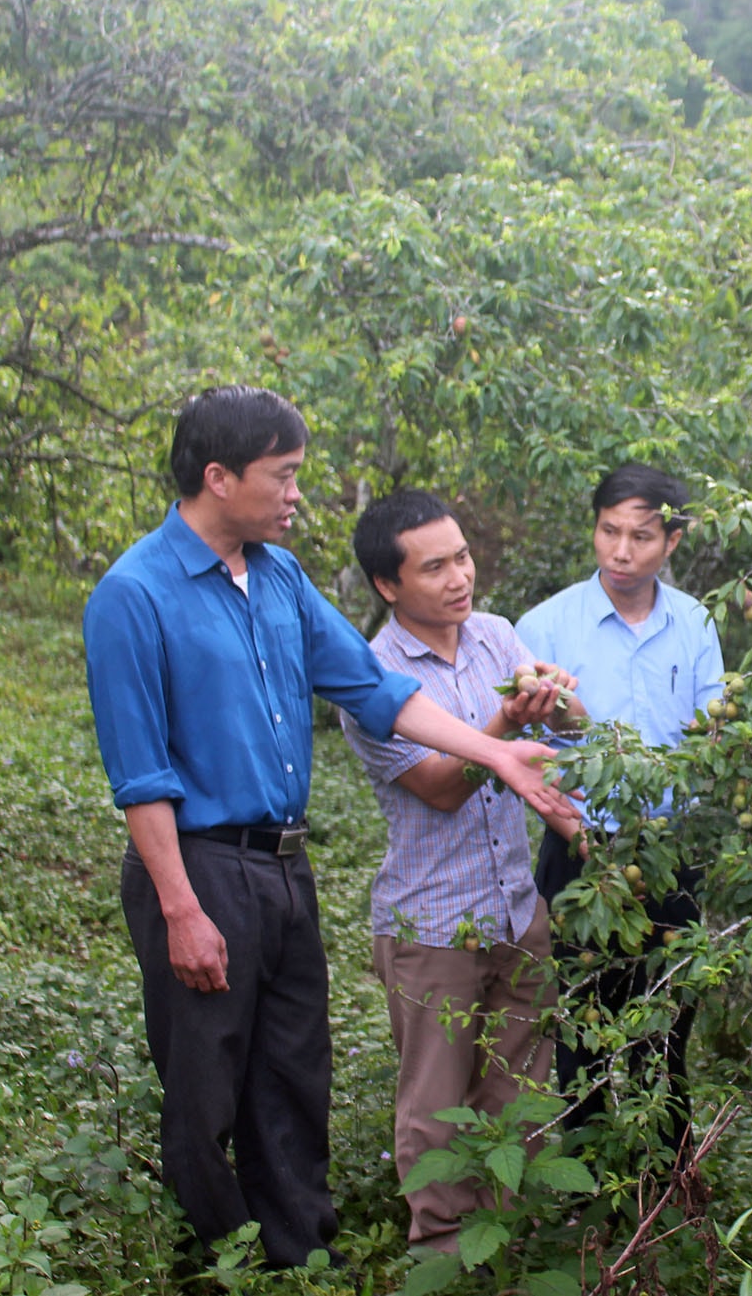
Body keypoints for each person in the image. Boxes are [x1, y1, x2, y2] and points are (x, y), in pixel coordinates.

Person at [83, 386, 577, 1269]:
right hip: (197, 866)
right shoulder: (134, 594)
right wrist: (180, 907)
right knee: (205, 1080)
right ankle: (218, 1256)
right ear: (218, 477)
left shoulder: (277, 577)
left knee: (293, 1065)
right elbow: (142, 775)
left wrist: (497, 753)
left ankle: (301, 1252)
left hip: (283, 865)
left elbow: (381, 694)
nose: (295, 494)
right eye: (284, 476)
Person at [340, 489, 587, 1253]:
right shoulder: (369, 676)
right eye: (435, 566)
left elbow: (564, 731)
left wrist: (557, 702)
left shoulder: (494, 636)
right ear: (389, 584)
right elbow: (441, 787)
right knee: (436, 1100)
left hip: (516, 905)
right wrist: (503, 726)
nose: (459, 577)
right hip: (432, 924)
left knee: (522, 1081)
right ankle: (443, 1249)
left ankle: (511, 1236)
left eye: (464, 556)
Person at [513, 464, 724, 1145]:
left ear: (673, 540)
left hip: (670, 854)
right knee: (581, 1027)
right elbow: (520, 751)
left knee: (665, 1027)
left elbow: (710, 731)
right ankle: (587, 1193)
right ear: (594, 527)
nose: (622, 552)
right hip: (579, 850)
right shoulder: (544, 625)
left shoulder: (694, 622)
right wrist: (569, 826)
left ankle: (664, 1182)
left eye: (641, 535)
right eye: (610, 531)